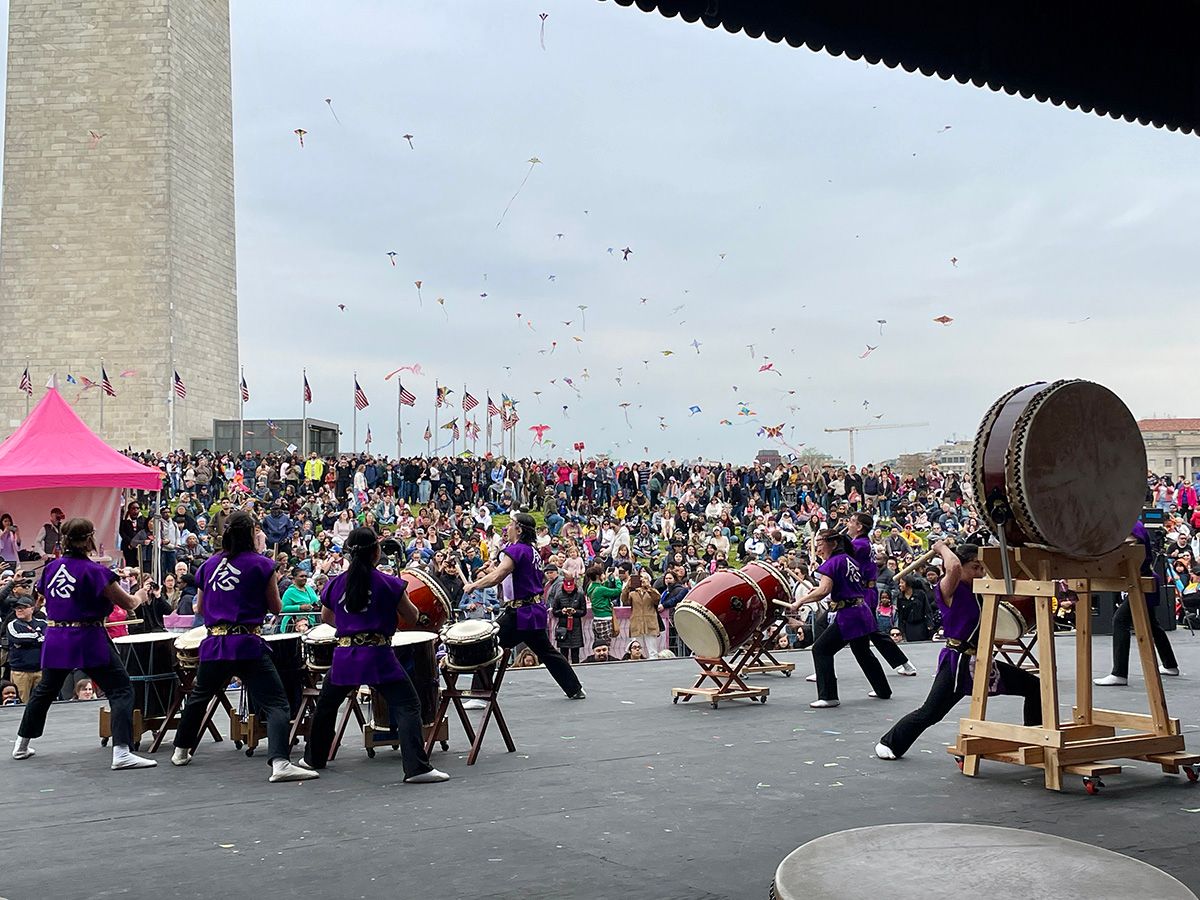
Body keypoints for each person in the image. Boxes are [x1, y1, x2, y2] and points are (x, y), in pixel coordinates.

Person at [169, 511, 315, 783]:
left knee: (200, 696)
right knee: (276, 703)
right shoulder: (262, 564)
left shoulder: (207, 566)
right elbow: (276, 606)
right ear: (251, 534)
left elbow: (199, 607)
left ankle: (181, 750)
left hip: (214, 642)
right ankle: (280, 762)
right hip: (246, 642)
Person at [300, 527, 448, 782]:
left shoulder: (336, 582)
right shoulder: (388, 582)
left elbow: (326, 617)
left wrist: (350, 628)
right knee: (408, 705)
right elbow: (412, 617)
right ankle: (416, 768)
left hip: (346, 654)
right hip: (378, 654)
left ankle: (313, 758)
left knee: (326, 706)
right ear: (376, 552)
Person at [876, 542, 1042, 759]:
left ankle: (1034, 738)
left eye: (982, 567)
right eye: (975, 567)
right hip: (959, 662)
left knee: (1034, 687)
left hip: (981, 661)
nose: (980, 572)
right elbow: (952, 566)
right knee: (931, 713)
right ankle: (890, 743)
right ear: (961, 566)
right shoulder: (948, 589)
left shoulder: (981, 590)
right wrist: (941, 547)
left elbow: (1012, 592)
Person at [13, 518, 156, 769]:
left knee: (45, 690)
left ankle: (21, 744)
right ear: (90, 538)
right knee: (120, 689)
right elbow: (129, 604)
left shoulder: (50, 568)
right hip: (87, 637)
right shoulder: (96, 572)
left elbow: (44, 595)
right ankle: (121, 752)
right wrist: (141, 594)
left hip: (57, 636)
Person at [461, 512, 585, 700]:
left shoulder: (517, 550)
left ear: (518, 529)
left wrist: (474, 585)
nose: (507, 528)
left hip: (520, 612)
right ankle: (574, 688)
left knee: (488, 645)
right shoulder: (531, 550)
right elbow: (510, 574)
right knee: (546, 651)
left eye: (510, 524)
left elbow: (499, 576)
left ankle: (479, 694)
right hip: (532, 610)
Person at [786, 529, 891, 708]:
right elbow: (835, 588)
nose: (818, 548)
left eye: (821, 543)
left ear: (833, 544)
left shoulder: (833, 563)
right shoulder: (849, 560)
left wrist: (800, 601)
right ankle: (883, 689)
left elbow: (824, 590)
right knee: (863, 651)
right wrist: (817, 591)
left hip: (849, 615)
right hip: (861, 611)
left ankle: (828, 696)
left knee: (821, 649)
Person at [1094, 521, 1180, 686]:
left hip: (1141, 580)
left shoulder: (1130, 526)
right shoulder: (1133, 523)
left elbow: (1130, 547)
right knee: (1152, 624)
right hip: (1143, 578)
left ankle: (1119, 673)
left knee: (1120, 620)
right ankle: (1170, 665)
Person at [846, 512, 918, 677]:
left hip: (862, 594)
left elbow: (842, 560)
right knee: (866, 637)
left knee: (872, 633)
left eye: (851, 521)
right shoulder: (862, 543)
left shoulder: (859, 545)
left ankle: (823, 663)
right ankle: (822, 664)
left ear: (859, 527)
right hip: (863, 592)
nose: (848, 524)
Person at [6, 598, 45, 702]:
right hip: (20, 671)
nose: (19, 610)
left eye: (23, 607)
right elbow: (16, 638)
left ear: (32, 609)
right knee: (21, 702)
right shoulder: (12, 625)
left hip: (40, 670)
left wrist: (29, 640)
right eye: (17, 608)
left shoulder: (42, 623)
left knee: (42, 701)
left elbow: (48, 639)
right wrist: (37, 637)